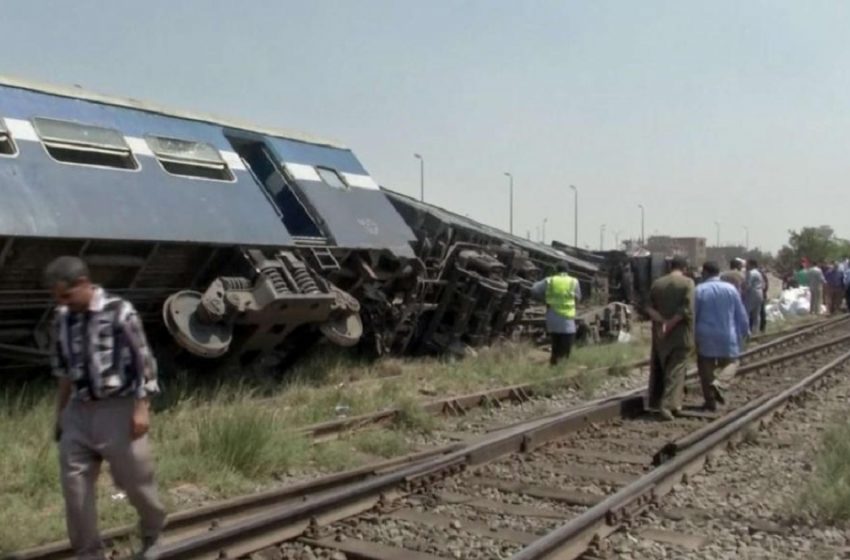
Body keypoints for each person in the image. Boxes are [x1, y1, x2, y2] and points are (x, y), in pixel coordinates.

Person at [46, 256, 165, 560]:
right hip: (79, 411)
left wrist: (141, 409)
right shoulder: (62, 318)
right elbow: (63, 372)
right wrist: (60, 414)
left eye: (66, 295)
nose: (62, 302)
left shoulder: (119, 312)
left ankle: (153, 532)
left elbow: (144, 363)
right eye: (58, 297)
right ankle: (88, 553)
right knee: (75, 490)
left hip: (119, 409)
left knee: (136, 482)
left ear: (84, 284)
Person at [694, 261, 750, 411]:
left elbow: (694, 314)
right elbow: (740, 312)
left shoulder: (699, 290)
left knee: (705, 367)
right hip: (727, 333)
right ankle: (720, 384)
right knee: (732, 362)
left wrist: (692, 335)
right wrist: (746, 330)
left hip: (704, 334)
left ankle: (710, 402)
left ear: (705, 273)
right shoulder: (731, 289)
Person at [644, 256, 694, 421]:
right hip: (680, 334)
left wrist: (661, 321)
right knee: (676, 369)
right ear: (684, 268)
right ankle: (666, 406)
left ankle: (672, 403)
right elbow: (686, 310)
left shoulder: (657, 283)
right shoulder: (687, 283)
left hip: (660, 335)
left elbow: (647, 307)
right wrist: (669, 324)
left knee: (662, 368)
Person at [531, 262, 581, 365]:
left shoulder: (550, 280)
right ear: (568, 271)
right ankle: (562, 366)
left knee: (556, 344)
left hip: (552, 317)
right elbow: (578, 297)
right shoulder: (573, 281)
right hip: (567, 318)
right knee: (566, 345)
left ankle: (554, 365)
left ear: (556, 270)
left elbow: (534, 289)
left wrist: (544, 300)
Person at [743, 259, 765, 331]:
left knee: (746, 312)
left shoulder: (750, 273)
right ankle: (756, 331)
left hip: (752, 293)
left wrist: (743, 293)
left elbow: (747, 285)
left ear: (751, 265)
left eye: (747, 264)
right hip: (760, 292)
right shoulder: (759, 273)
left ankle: (746, 331)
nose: (746, 266)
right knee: (756, 314)